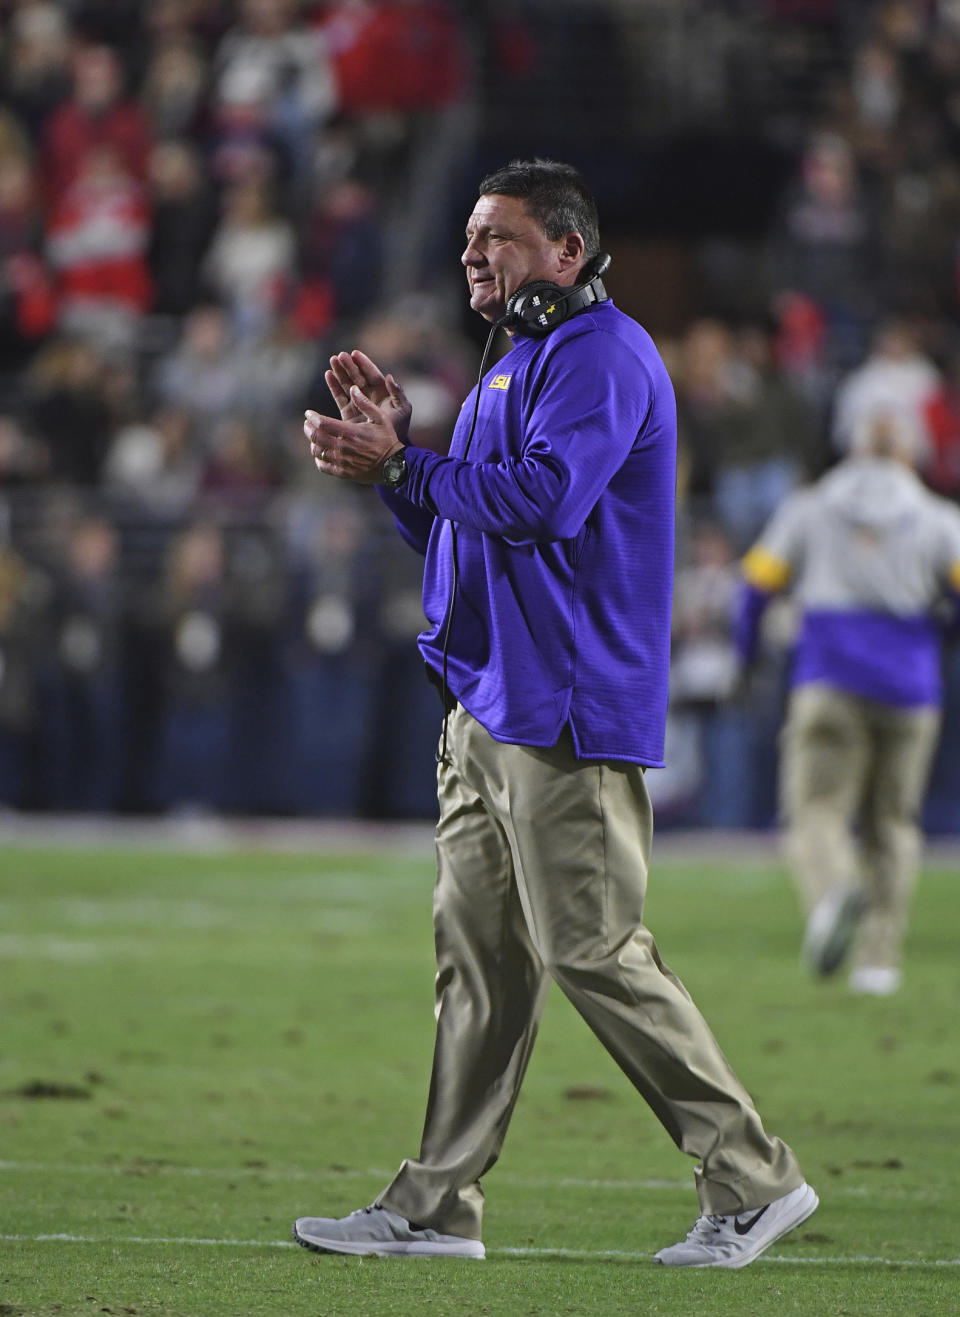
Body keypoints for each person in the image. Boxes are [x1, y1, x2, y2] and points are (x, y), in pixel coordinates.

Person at [295, 159, 817, 1267]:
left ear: (567, 254)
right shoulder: (516, 361)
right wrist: (397, 474)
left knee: (594, 950)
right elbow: (465, 528)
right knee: (478, 962)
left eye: (500, 238)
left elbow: (542, 503)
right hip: (486, 702)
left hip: (560, 707)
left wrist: (414, 462)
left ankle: (755, 1179)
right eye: (472, 236)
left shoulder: (603, 356)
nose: (475, 254)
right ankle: (436, 1208)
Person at [735, 408, 960, 995]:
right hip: (910, 686)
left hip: (828, 677)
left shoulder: (811, 506)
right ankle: (878, 962)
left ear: (853, 448)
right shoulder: (938, 517)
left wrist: (746, 659)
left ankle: (834, 891)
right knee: (893, 822)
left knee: (816, 809)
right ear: (909, 455)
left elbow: (757, 586)